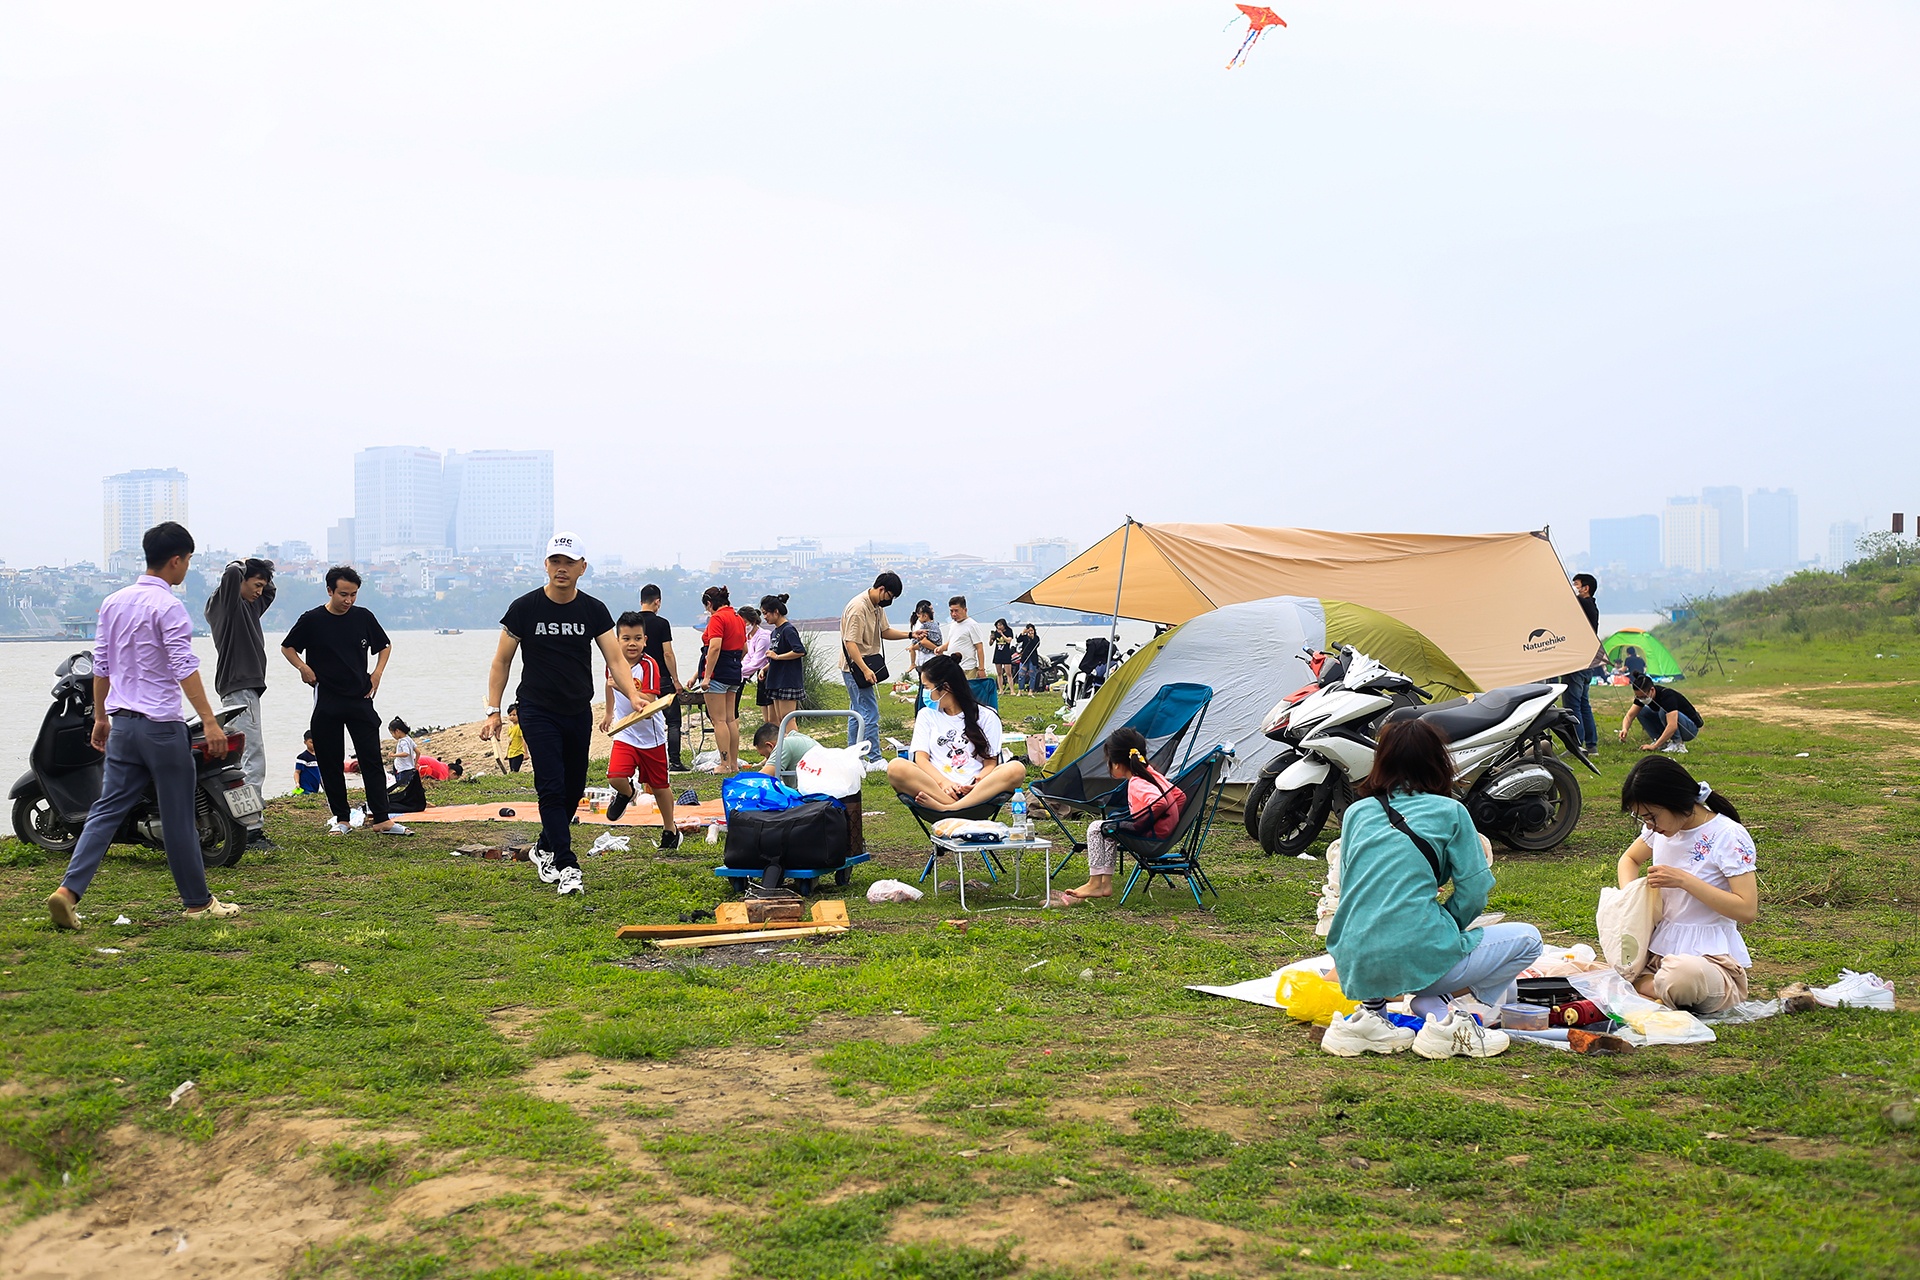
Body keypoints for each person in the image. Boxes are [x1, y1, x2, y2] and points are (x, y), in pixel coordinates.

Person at [46, 522, 242, 929]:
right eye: (187, 560)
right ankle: (197, 902)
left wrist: (100, 717)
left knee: (105, 811)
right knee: (177, 816)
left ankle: (68, 892)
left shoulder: (113, 602)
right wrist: (209, 720)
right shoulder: (168, 607)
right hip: (161, 729)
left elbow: (101, 665)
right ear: (176, 560)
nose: (186, 567)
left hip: (122, 725)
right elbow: (184, 666)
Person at [1320, 719, 1540, 1060]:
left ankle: (1373, 1017)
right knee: (1529, 940)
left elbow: (1352, 888)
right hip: (1417, 949)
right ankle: (1453, 1018)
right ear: (1439, 762)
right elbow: (1475, 889)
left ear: (1381, 761)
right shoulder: (1450, 811)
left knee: (1392, 937)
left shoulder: (1357, 813)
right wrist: (1446, 923)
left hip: (1353, 957)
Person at [482, 532, 646, 897]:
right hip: (537, 710)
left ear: (582, 568)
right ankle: (565, 863)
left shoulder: (592, 609)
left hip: (577, 710)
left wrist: (633, 695)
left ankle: (543, 846)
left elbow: (615, 659)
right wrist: (494, 710)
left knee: (572, 788)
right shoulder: (524, 608)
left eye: (569, 562)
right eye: (555, 561)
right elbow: (501, 662)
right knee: (551, 785)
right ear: (546, 565)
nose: (561, 568)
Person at [1616, 756, 1757, 1014]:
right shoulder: (1658, 831)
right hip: (1658, 951)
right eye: (1642, 818)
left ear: (1675, 801)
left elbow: (1747, 910)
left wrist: (1683, 880)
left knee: (1681, 976)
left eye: (1652, 817)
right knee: (1619, 960)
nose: (1650, 826)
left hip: (1710, 960)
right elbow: (1629, 859)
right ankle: (1652, 987)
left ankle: (1648, 986)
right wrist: (1630, 899)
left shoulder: (1727, 835)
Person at [282, 566, 410, 837]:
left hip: (360, 698)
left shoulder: (363, 617)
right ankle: (342, 819)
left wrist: (376, 674)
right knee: (330, 760)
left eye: (353, 594)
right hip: (326, 698)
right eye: (343, 594)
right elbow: (287, 647)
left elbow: (384, 646)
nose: (348, 600)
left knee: (371, 758)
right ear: (330, 590)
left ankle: (382, 819)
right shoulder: (312, 619)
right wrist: (303, 668)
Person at [1055, 727, 1183, 905]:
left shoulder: (1138, 782)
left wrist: (1141, 824)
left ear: (1115, 763)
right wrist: (1168, 823)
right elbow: (1180, 796)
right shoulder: (1152, 774)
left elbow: (1159, 803)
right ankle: (1104, 885)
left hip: (1151, 839)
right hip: (1163, 835)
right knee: (1108, 830)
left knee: (1095, 828)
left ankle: (1094, 883)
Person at [884, 654, 1027, 811]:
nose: (924, 693)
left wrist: (980, 780)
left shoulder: (987, 716)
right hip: (937, 789)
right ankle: (954, 806)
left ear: (946, 687)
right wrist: (943, 783)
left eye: (926, 687)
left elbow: (990, 763)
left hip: (976, 791)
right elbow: (921, 760)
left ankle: (949, 809)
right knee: (896, 766)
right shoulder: (926, 715)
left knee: (1016, 768)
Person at [204, 556, 277, 844]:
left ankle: (244, 822)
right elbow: (232, 574)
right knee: (252, 757)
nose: (260, 591)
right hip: (239, 688)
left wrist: (263, 572)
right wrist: (240, 563)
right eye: (256, 585)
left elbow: (270, 591)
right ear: (242, 582)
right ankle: (249, 828)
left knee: (248, 754)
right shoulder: (226, 606)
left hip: (245, 688)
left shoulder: (249, 606)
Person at [601, 612, 679, 849]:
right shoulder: (612, 664)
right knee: (615, 776)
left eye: (637, 638)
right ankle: (626, 793)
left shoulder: (649, 665)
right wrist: (608, 712)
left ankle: (670, 829)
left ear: (645, 640)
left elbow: (651, 700)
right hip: (625, 732)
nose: (632, 643)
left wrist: (625, 690)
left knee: (659, 786)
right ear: (617, 641)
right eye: (626, 638)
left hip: (650, 736)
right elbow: (609, 686)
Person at [840, 572, 910, 763]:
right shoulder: (858, 608)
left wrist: (911, 634)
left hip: (865, 664)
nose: (891, 600)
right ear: (881, 590)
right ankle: (874, 758)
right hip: (855, 667)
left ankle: (854, 755)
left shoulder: (877, 607)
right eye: (890, 596)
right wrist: (864, 669)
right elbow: (850, 643)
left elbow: (885, 631)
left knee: (857, 712)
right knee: (869, 712)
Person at [692, 586, 746, 775]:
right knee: (731, 719)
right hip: (734, 672)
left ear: (709, 603)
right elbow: (744, 648)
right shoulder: (738, 618)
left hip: (718, 674)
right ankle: (732, 763)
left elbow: (714, 647)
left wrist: (707, 676)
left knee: (718, 720)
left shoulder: (717, 618)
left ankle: (724, 764)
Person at [636, 585, 687, 771]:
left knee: (640, 720)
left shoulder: (631, 622)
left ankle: (641, 761)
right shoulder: (662, 623)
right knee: (673, 721)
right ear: (657, 601)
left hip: (638, 680)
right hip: (662, 678)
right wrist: (676, 679)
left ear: (641, 600)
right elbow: (668, 654)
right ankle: (674, 761)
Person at [1562, 573, 1602, 754]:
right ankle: (1591, 745)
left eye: (1576, 585)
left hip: (1577, 662)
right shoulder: (1592, 606)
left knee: (1572, 705)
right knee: (1584, 704)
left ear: (1585, 588)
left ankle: (1575, 746)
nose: (1574, 588)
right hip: (1589, 661)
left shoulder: (1582, 604)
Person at [1620, 672, 1704, 753]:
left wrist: (1654, 746)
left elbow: (1672, 725)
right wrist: (1624, 729)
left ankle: (1678, 744)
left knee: (1663, 711)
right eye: (1638, 697)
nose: (1641, 699)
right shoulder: (1641, 697)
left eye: (1644, 697)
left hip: (1689, 729)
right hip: (1671, 723)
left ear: (1652, 690)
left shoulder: (1667, 695)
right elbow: (1630, 715)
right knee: (1642, 711)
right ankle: (1661, 743)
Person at [761, 594, 806, 729]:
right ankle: (783, 746)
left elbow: (800, 651)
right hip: (776, 680)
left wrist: (777, 657)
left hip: (788, 680)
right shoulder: (774, 632)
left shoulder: (788, 630)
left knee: (787, 719)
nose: (765, 617)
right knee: (779, 719)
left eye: (766, 613)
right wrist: (765, 669)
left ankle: (795, 746)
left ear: (776, 611)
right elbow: (776, 655)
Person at [943, 596, 996, 711]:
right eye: (951, 611)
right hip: (954, 667)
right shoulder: (953, 625)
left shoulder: (972, 625)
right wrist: (941, 648)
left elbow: (979, 647)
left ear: (965, 610)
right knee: (953, 695)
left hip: (968, 668)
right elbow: (951, 642)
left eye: (956, 611)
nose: (953, 614)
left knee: (967, 696)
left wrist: (981, 669)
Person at [752, 720, 817, 780]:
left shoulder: (784, 744)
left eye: (765, 755)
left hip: (806, 791)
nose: (767, 759)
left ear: (770, 745)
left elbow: (760, 777)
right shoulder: (799, 737)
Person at [738, 604, 771, 723]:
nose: (744, 626)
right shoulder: (748, 636)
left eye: (745, 623)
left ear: (753, 621)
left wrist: (737, 673)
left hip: (768, 672)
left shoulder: (763, 636)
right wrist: (739, 669)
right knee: (764, 711)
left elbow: (757, 661)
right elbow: (748, 657)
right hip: (760, 674)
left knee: (772, 715)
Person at [386, 717, 426, 814]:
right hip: (410, 768)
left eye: (392, 733)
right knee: (410, 789)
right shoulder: (409, 739)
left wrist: (393, 755)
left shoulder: (402, 741)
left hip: (404, 770)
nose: (392, 736)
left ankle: (406, 804)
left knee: (404, 789)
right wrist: (415, 763)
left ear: (397, 731)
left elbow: (406, 753)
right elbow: (418, 752)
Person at [908, 600, 942, 681]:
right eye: (931, 609)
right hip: (927, 660)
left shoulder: (930, 624)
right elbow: (923, 642)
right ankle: (912, 664)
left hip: (925, 660)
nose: (933, 611)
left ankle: (912, 664)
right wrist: (938, 650)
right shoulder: (922, 625)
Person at [1015, 624, 1041, 692]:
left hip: (1033, 658)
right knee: (1021, 674)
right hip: (1024, 657)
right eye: (1029, 630)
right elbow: (1018, 640)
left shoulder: (1036, 638)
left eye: (1032, 630)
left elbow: (1037, 645)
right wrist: (1022, 633)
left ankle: (1031, 690)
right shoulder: (1024, 637)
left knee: (1032, 674)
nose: (1030, 632)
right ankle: (1020, 690)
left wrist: (1032, 638)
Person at [992, 620, 1016, 693]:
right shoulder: (996, 632)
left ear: (1004, 625)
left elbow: (1008, 640)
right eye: (997, 625)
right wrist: (991, 638)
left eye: (1000, 625)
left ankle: (1012, 690)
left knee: (1008, 673)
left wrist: (1002, 634)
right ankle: (1001, 689)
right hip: (998, 653)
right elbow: (991, 643)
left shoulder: (1009, 631)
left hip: (1006, 653)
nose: (999, 627)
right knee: (999, 673)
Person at [502, 703, 526, 772]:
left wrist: (525, 753)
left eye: (514, 715)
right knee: (512, 770)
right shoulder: (510, 727)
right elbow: (510, 742)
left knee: (515, 770)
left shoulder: (519, 727)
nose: (512, 717)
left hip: (518, 753)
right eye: (510, 715)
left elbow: (523, 739)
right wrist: (507, 754)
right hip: (511, 753)